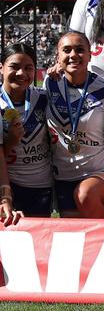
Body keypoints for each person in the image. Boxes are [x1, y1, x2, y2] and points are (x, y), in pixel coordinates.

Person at [45, 32, 104, 218]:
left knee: (85, 194)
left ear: (90, 55)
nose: (73, 55)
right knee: (75, 240)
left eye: (80, 50)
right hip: (63, 176)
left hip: (101, 172)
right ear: (58, 56)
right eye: (66, 50)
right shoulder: (50, 83)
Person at [0, 43, 51, 217]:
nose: (22, 73)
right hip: (8, 184)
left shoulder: (44, 97)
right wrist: (10, 142)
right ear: (1, 68)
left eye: (28, 68)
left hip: (41, 186)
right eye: (14, 67)